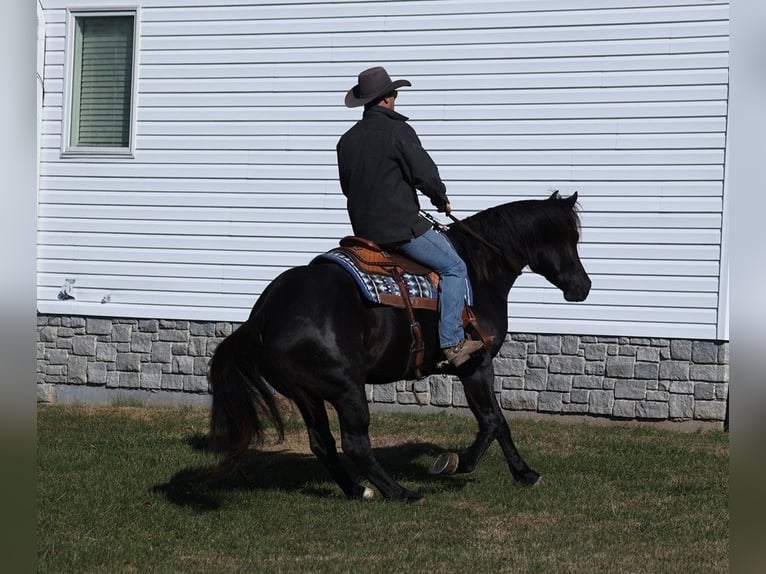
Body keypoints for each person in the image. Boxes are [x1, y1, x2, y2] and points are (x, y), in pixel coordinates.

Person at [336, 66, 484, 367]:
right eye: (394, 92)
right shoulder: (398, 132)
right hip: (401, 230)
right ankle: (453, 343)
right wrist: (441, 198)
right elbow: (425, 174)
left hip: (363, 233)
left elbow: (346, 187)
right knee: (455, 267)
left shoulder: (346, 141)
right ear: (387, 98)